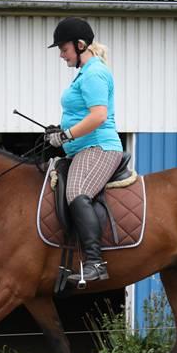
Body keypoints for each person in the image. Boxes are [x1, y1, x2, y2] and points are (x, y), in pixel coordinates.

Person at [45, 17, 123, 285]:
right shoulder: (84, 74)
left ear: (80, 45)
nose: (61, 55)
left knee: (77, 192)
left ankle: (95, 263)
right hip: (80, 149)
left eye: (63, 49)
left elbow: (99, 116)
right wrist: (59, 130)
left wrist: (67, 134)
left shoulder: (94, 73)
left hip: (99, 147)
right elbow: (80, 115)